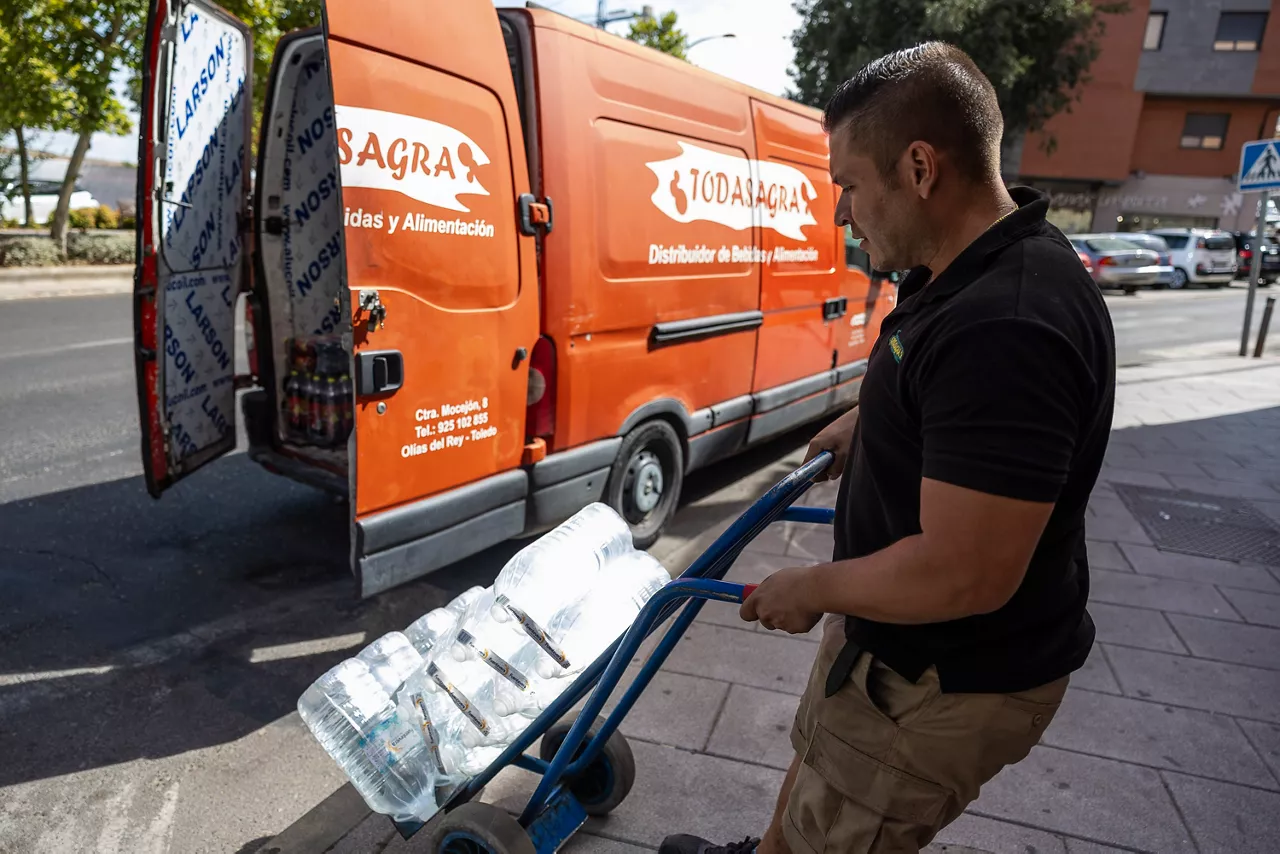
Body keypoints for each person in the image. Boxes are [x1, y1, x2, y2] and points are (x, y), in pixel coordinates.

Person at [661, 42, 1115, 854]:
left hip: (940, 673)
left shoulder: (1008, 324)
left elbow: (964, 571)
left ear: (918, 168)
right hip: (891, 633)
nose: (839, 213)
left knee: (842, 821)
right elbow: (932, 385)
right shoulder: (957, 269)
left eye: (847, 185)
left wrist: (814, 586)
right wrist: (869, 420)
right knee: (815, 768)